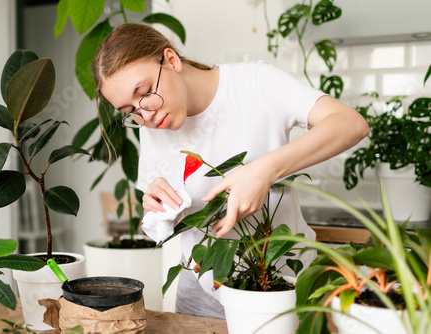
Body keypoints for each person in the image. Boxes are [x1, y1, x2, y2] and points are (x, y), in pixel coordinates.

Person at [92, 23, 369, 319]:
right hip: (202, 290)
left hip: (283, 285)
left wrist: (263, 171)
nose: (144, 113)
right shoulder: (152, 124)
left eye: (145, 92)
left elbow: (351, 124)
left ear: (171, 60)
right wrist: (156, 205)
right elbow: (157, 210)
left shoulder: (254, 83)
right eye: (129, 111)